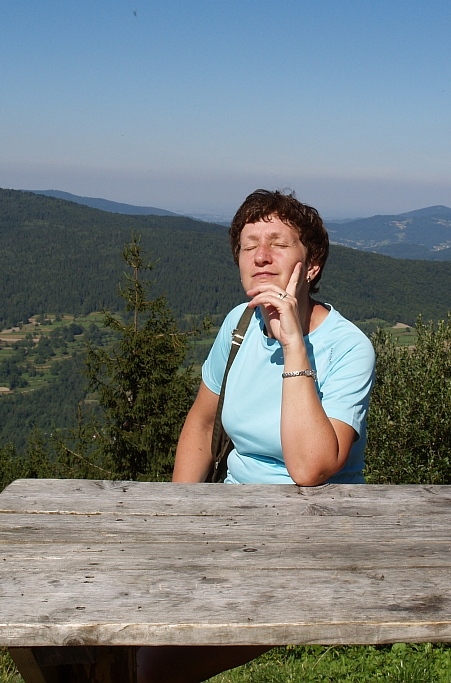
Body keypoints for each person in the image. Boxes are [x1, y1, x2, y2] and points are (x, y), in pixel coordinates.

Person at [136, 189, 376, 683]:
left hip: (311, 536)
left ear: (312, 266)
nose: (261, 256)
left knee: (148, 666)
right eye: (249, 246)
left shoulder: (349, 348)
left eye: (278, 244)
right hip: (230, 521)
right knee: (112, 618)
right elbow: (202, 424)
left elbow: (311, 469)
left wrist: (294, 347)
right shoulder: (239, 323)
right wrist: (179, 518)